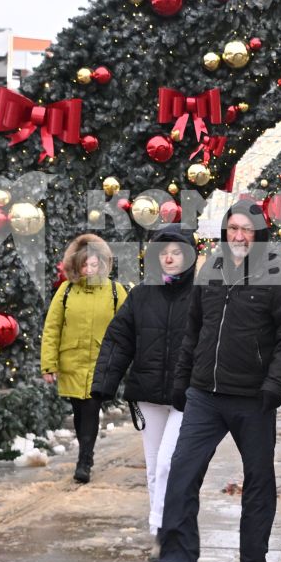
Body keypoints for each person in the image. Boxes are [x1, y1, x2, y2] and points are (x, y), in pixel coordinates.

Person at [146, 200, 281, 562]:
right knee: (181, 473)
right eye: (233, 229)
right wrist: (183, 381)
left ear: (259, 234)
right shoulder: (210, 269)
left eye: (246, 230)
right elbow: (194, 330)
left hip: (253, 397)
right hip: (205, 395)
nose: (238, 236)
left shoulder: (277, 274)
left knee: (258, 481)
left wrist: (275, 384)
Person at [90, 225, 198, 539]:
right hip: (148, 394)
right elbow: (118, 340)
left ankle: (167, 526)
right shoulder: (141, 295)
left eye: (176, 253)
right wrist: (104, 384)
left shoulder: (201, 295)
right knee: (154, 468)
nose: (169, 259)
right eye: (163, 253)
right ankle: (158, 528)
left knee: (169, 464)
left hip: (185, 397)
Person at [40, 233, 126, 484]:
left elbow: (127, 327)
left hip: (101, 363)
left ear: (102, 263)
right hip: (72, 363)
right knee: (79, 412)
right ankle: (84, 452)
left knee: (91, 408)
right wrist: (49, 364)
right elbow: (52, 328)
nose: (89, 269)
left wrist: (122, 360)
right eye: (84, 265)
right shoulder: (66, 292)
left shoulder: (114, 291)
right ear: (76, 266)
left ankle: (84, 460)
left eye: (94, 264)